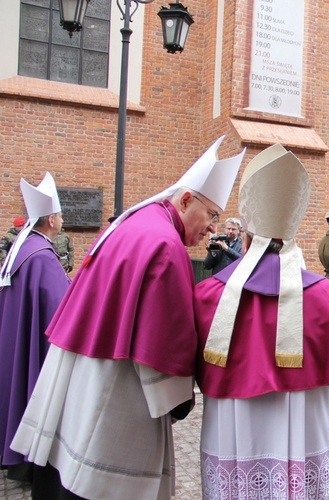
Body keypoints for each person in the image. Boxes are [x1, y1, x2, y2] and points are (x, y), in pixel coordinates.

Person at [11, 136, 244, 499]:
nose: (213, 228)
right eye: (212, 215)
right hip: (114, 387)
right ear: (185, 200)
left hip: (77, 371)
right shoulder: (165, 245)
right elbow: (165, 340)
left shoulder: (136, 223)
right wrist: (179, 400)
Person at [194, 144, 329, 499]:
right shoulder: (328, 298)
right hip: (304, 432)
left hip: (231, 434)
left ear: (248, 235)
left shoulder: (207, 296)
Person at [0, 173, 70, 483]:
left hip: (14, 341)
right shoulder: (42, 257)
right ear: (52, 219)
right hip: (36, 347)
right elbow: (60, 309)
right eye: (60, 214)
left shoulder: (24, 247)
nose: (62, 219)